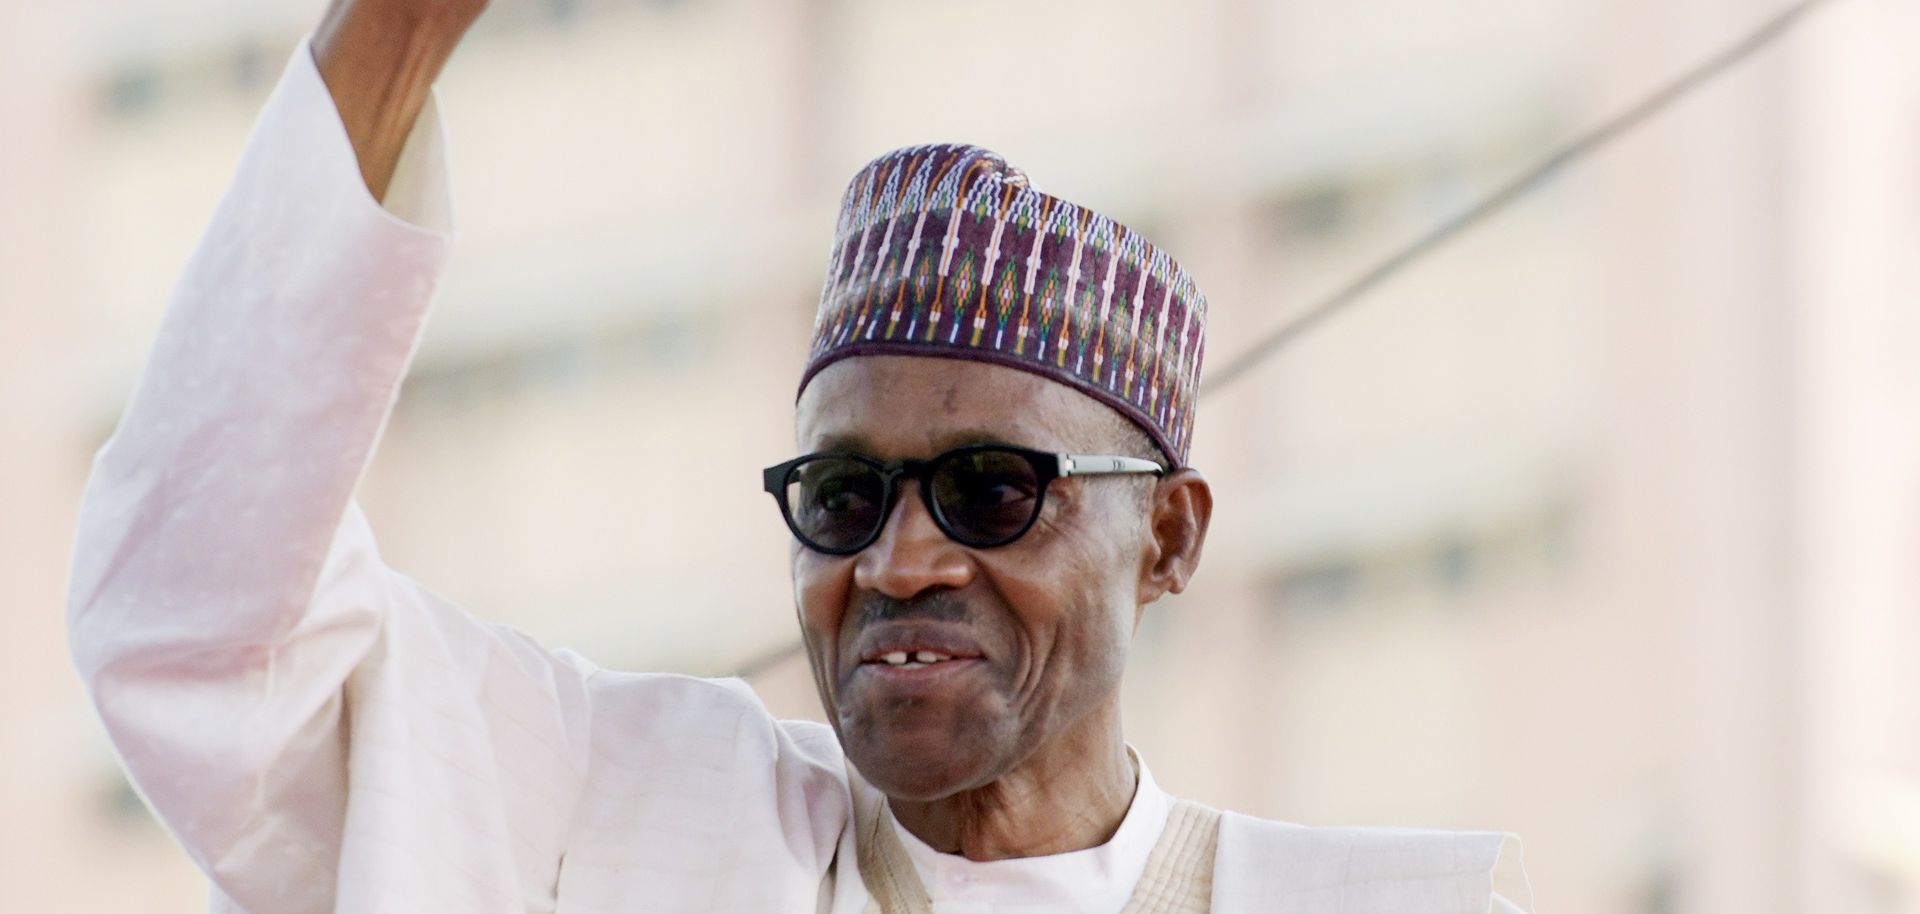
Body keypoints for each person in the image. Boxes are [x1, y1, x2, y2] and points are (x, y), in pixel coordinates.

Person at [67, 1, 1531, 911]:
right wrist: (398, 21)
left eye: (990, 488)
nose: (900, 560)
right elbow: (204, 626)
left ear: (1170, 534)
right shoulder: (614, 824)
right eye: (842, 497)